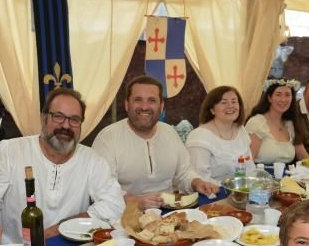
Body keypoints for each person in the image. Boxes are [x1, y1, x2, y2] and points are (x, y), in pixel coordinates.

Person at [0, 87, 125, 246]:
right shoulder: (10, 151)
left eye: (74, 119)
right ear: (43, 118)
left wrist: (62, 227)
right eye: (58, 117)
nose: (66, 126)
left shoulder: (92, 160)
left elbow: (114, 205)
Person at [92, 76, 218, 210]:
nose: (144, 107)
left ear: (161, 106)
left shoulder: (169, 132)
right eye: (138, 100)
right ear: (127, 104)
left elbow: (184, 172)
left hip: (170, 215)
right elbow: (102, 189)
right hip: (124, 216)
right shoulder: (108, 138)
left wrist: (196, 182)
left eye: (152, 100)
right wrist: (135, 201)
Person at [185, 86, 254, 184]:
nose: (230, 106)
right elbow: (199, 179)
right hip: (212, 194)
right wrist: (232, 187)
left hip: (241, 192)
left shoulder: (241, 130)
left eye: (234, 101)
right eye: (224, 102)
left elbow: (250, 169)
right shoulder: (199, 136)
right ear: (212, 110)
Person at [245, 79, 308, 165]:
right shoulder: (257, 123)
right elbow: (248, 162)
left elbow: (304, 158)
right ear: (269, 98)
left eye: (287, 95)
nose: (283, 100)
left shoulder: (290, 125)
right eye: (278, 95)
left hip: (288, 177)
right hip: (260, 176)